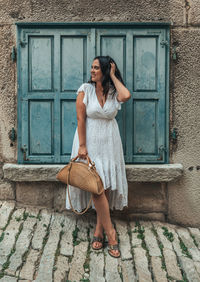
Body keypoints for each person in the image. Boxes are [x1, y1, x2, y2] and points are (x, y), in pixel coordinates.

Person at [66, 55, 131, 258]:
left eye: (96, 68)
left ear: (104, 70)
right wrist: (83, 146)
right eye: (92, 67)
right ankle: (111, 234)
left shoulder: (113, 92)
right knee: (97, 187)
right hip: (90, 142)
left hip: (110, 141)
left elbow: (126, 95)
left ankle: (98, 231)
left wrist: (113, 75)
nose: (92, 70)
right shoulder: (84, 90)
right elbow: (80, 118)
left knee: (107, 184)